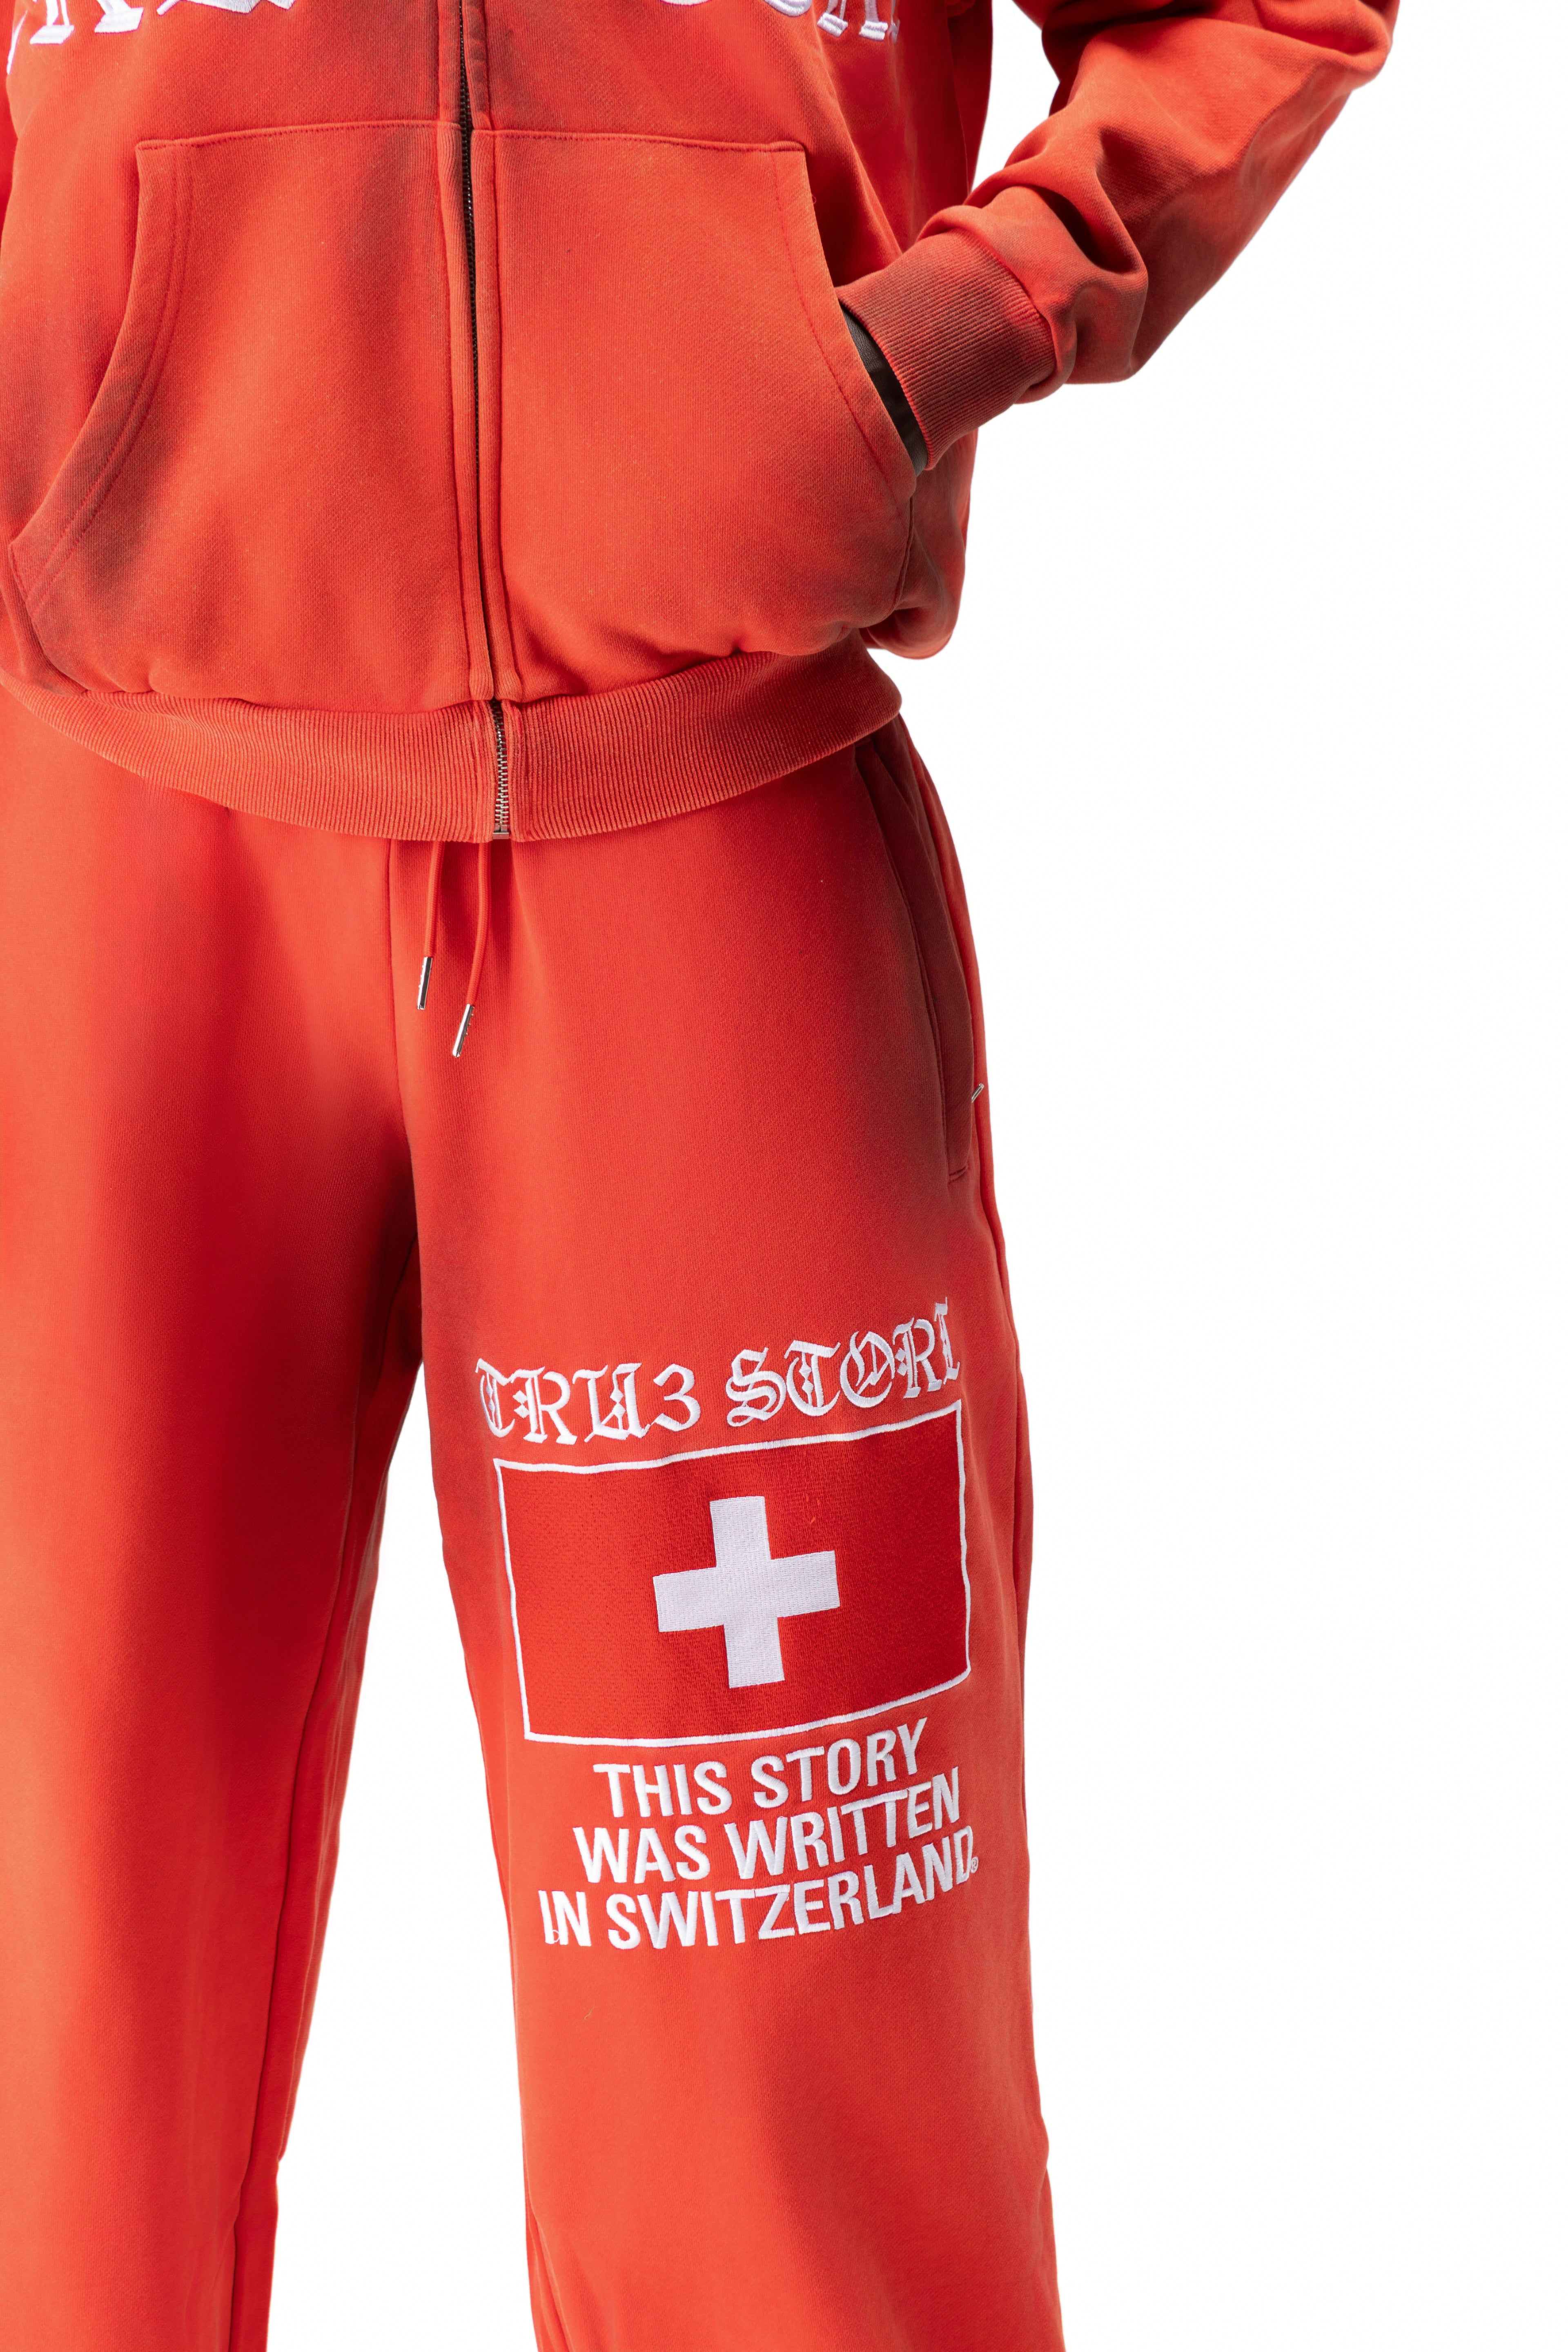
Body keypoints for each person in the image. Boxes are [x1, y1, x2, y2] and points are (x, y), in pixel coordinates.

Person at [0, 3, 1394, 2346]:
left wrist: (948, 323)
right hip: (97, 868)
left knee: (781, 2017)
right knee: (43, 1976)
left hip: (710, 840)